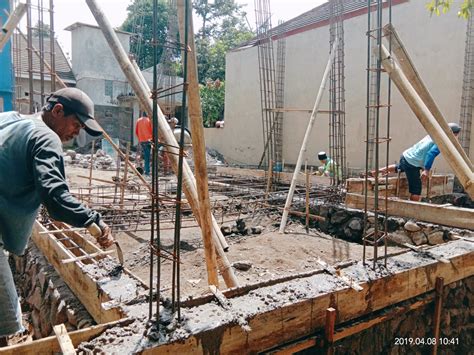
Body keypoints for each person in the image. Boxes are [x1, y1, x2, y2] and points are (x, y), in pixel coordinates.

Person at [0, 87, 115, 344]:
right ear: (58, 111)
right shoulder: (45, 137)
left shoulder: (10, 119)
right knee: (6, 317)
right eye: (76, 124)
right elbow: (55, 199)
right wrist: (93, 220)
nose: (77, 132)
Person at [376, 122, 461, 201]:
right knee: (416, 190)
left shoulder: (434, 134)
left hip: (406, 156)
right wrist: (426, 170)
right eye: (456, 135)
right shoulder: (441, 141)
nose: (456, 137)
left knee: (400, 167)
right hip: (412, 162)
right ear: (452, 134)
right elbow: (430, 154)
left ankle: (377, 171)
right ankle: (413, 210)